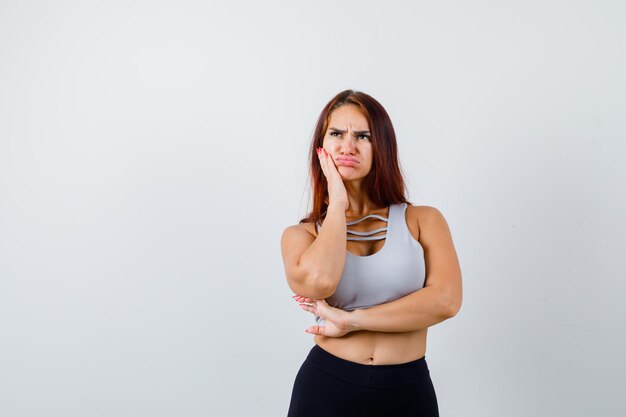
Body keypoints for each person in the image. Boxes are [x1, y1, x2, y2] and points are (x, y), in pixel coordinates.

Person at [280, 89, 462, 417]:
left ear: (381, 147)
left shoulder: (423, 220)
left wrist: (350, 320)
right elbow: (318, 283)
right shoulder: (302, 235)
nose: (348, 146)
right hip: (326, 387)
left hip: (407, 391)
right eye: (337, 134)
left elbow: (446, 302)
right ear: (321, 148)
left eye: (363, 136)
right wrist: (337, 202)